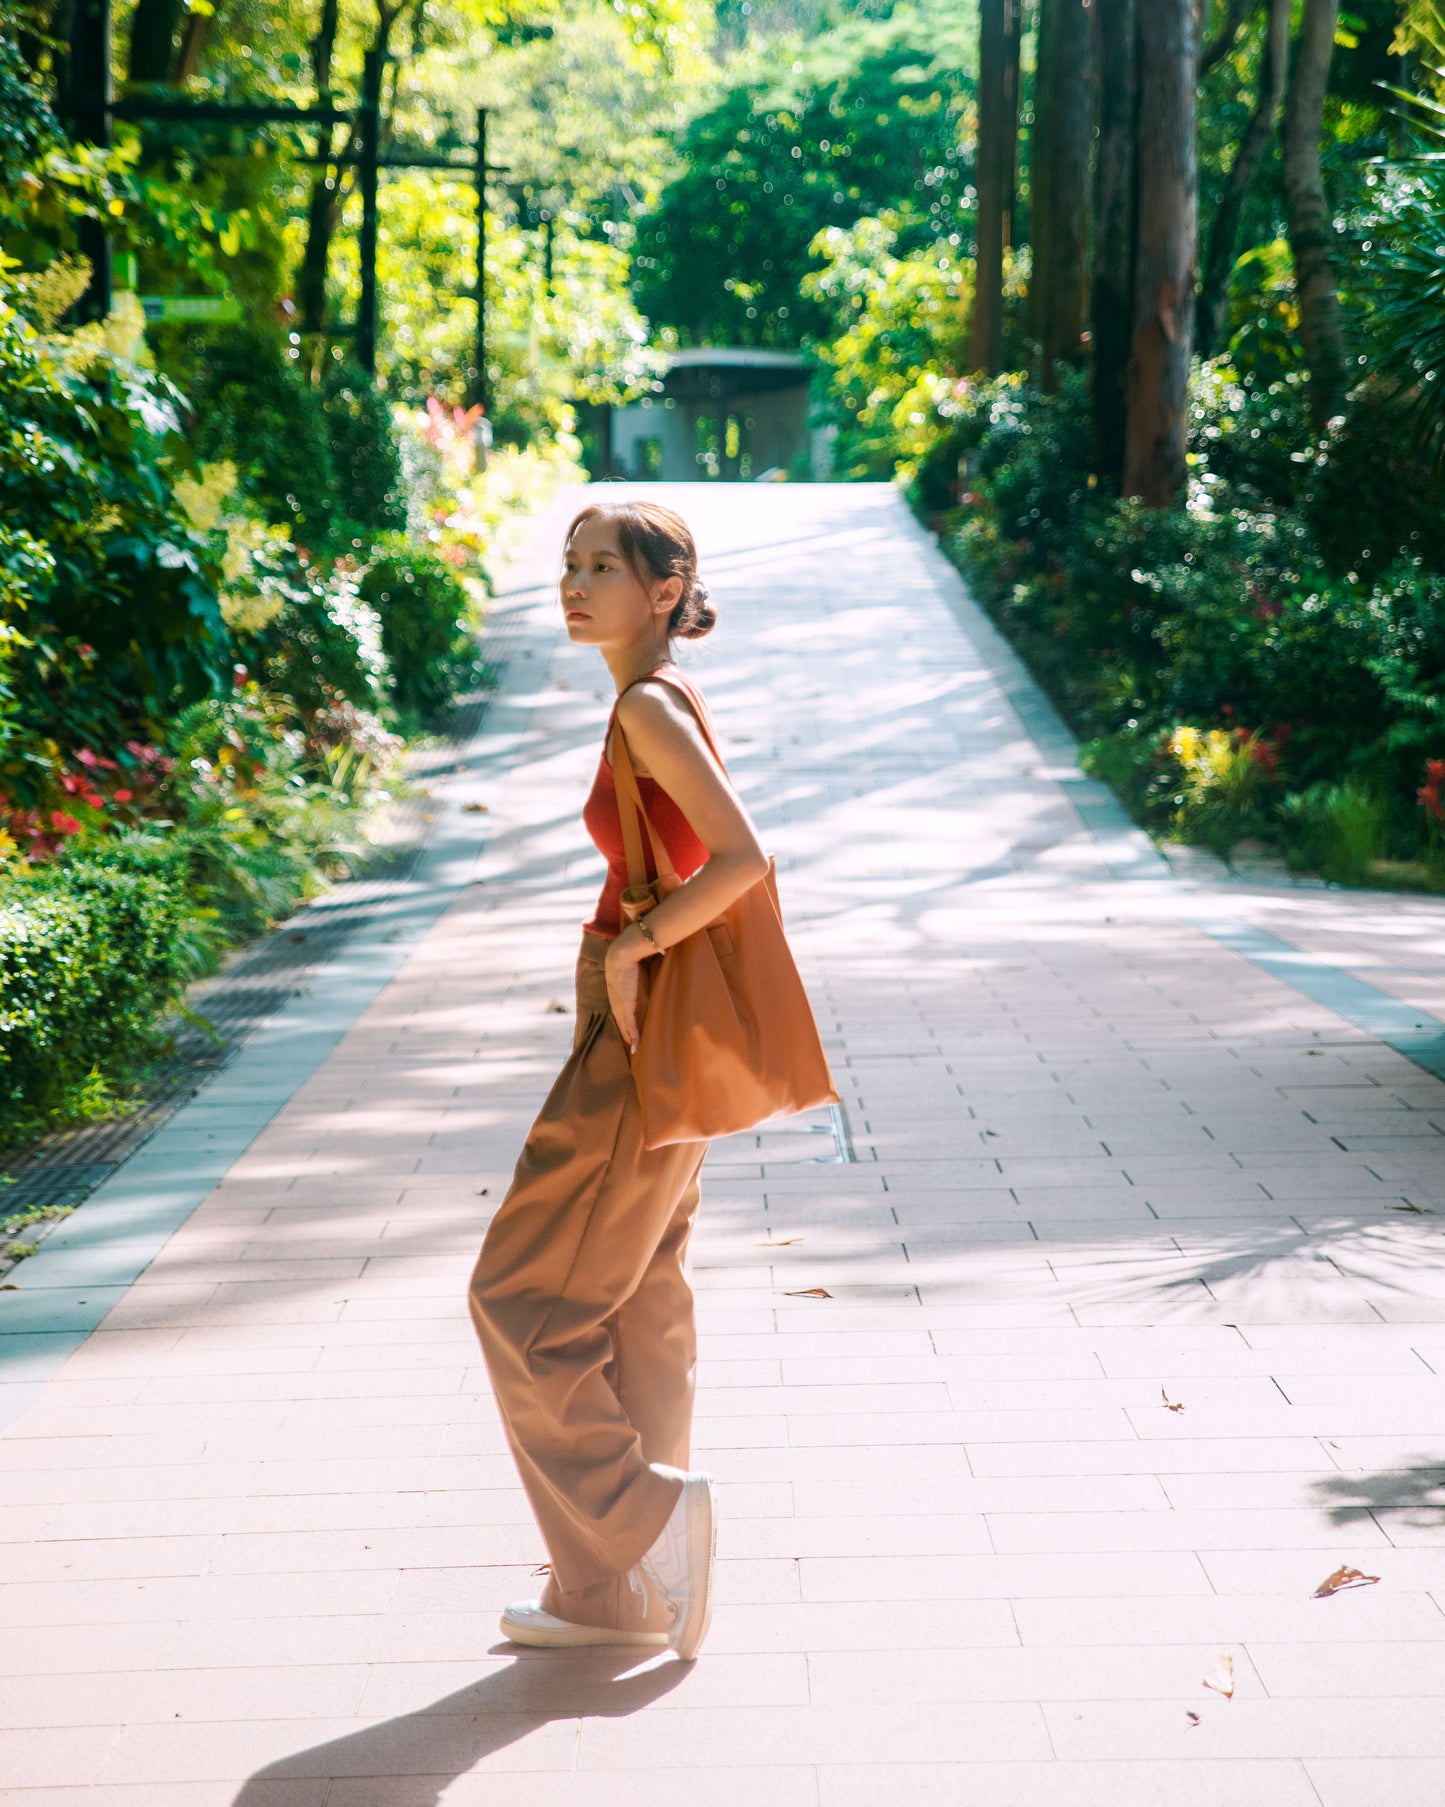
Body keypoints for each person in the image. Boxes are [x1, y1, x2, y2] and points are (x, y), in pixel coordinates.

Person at [468, 500, 770, 1661]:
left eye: (604, 565)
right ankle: (611, 1596)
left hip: (637, 1036)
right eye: (568, 562)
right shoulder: (658, 700)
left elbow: (741, 856)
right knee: (641, 1302)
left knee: (521, 1305)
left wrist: (632, 949)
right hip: (667, 1039)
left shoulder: (647, 708)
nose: (574, 582)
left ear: (665, 587)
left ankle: (648, 1517)